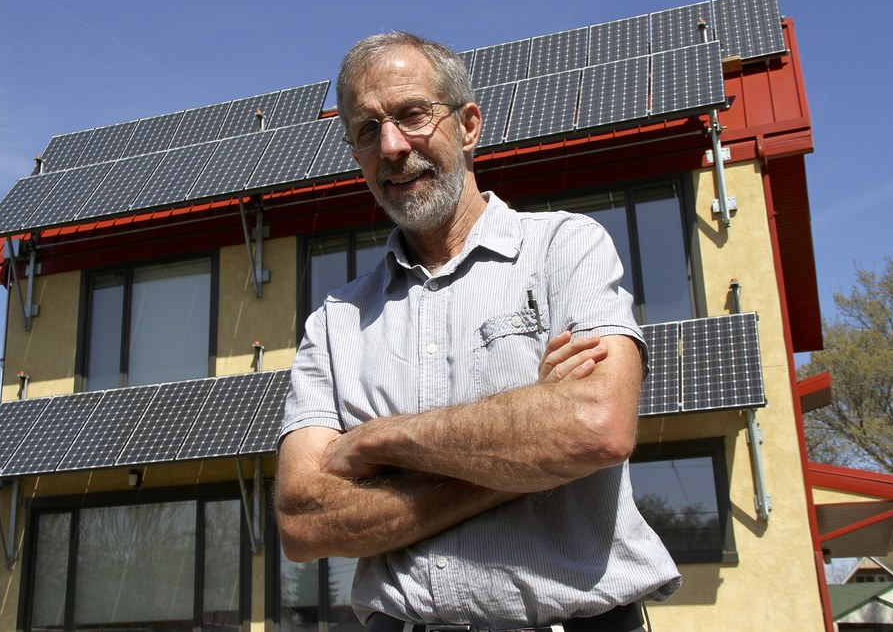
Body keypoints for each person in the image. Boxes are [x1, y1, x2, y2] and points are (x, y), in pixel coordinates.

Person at [275, 32, 680, 632]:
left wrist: (379, 441)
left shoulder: (565, 248)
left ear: (467, 126)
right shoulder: (336, 321)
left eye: (412, 115)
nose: (391, 146)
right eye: (366, 130)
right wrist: (523, 457)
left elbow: (597, 426)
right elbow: (304, 523)